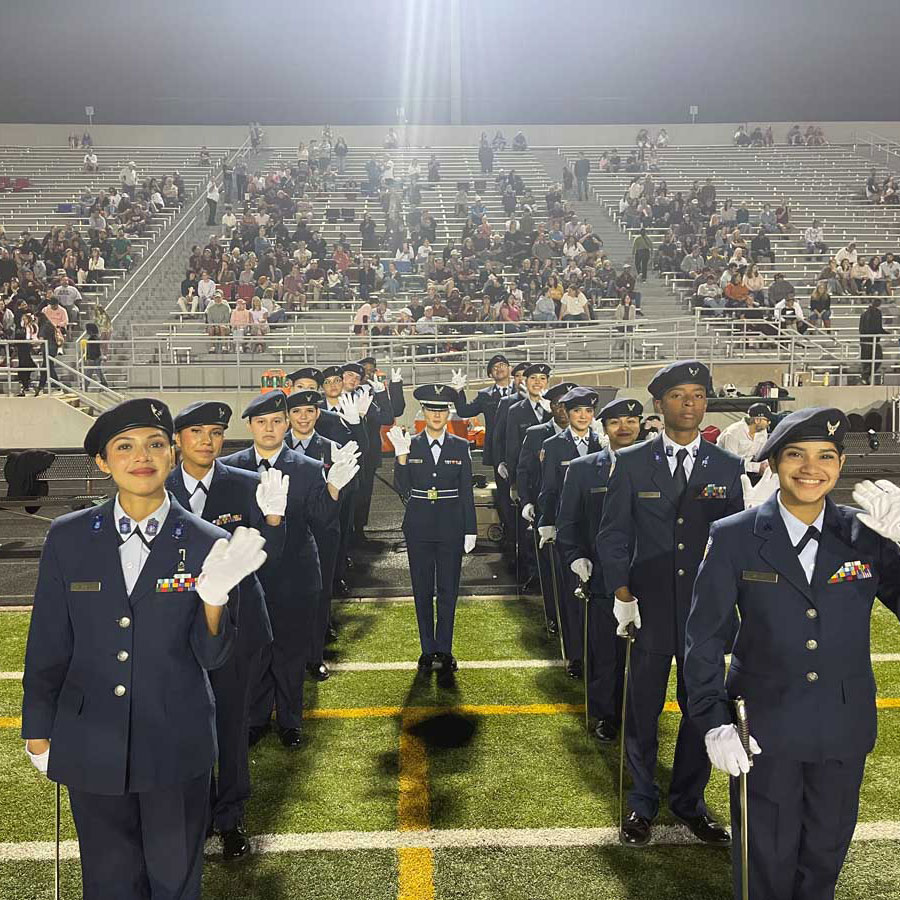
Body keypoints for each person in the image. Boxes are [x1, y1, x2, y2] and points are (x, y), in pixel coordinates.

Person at [22, 398, 267, 899]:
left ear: (172, 455)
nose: (143, 456)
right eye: (125, 446)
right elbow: (48, 643)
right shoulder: (67, 538)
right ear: (102, 461)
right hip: (90, 740)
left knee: (174, 883)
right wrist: (38, 730)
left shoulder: (208, 542)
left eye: (156, 444)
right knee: (109, 884)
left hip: (176, 744)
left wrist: (214, 601)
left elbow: (214, 657)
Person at [685, 408, 900, 900]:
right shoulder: (733, 535)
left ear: (841, 465)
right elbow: (704, 639)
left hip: (842, 727)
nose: (811, 468)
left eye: (826, 456)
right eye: (796, 455)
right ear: (774, 462)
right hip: (763, 729)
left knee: (824, 857)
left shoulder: (868, 534)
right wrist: (712, 718)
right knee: (766, 859)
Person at [598, 360, 744, 847]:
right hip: (650, 607)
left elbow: (735, 543)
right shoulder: (633, 461)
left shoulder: (725, 466)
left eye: (699, 395)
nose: (691, 404)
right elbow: (614, 535)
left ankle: (689, 802)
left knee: (701, 708)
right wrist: (622, 596)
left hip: (706, 613)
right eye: (680, 396)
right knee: (642, 710)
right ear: (660, 404)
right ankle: (641, 804)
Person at [167, 401, 285, 860]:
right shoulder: (159, 487)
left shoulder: (248, 484)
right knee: (183, 725)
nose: (207, 441)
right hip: (176, 628)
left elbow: (268, 555)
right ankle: (192, 816)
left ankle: (231, 817)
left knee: (232, 726)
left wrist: (273, 519)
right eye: (196, 432)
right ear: (178, 439)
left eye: (215, 433)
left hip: (237, 624)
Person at [220, 392, 356, 749]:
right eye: (261, 422)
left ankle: (290, 720)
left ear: (286, 424)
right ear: (249, 425)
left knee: (291, 650)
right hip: (249, 574)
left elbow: (323, 521)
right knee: (253, 650)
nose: (269, 428)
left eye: (276, 421)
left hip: (295, 572)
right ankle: (256, 717)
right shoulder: (230, 468)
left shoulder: (308, 467)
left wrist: (333, 489)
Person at [558, 396, 643, 742]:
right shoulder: (582, 469)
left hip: (646, 577)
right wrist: (575, 555)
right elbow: (568, 522)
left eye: (631, 421)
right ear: (604, 429)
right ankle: (606, 715)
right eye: (615, 422)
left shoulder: (656, 466)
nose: (624, 428)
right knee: (604, 653)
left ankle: (639, 714)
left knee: (646, 657)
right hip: (602, 577)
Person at [387, 385, 477, 680]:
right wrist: (400, 458)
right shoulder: (409, 444)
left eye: (442, 410)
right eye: (431, 409)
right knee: (422, 591)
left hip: (451, 526)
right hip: (419, 526)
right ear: (423, 413)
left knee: (448, 591)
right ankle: (427, 650)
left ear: (449, 412)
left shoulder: (460, 445)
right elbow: (402, 488)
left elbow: (465, 491)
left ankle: (445, 650)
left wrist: (470, 529)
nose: (437, 415)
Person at [285, 389, 359, 679]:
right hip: (288, 534)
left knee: (320, 596)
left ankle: (314, 656)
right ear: (288, 417)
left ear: (317, 414)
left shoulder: (332, 448)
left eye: (309, 411)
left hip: (323, 533)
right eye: (296, 412)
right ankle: (288, 654)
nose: (303, 417)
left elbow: (351, 489)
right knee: (286, 596)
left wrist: (336, 482)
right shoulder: (278, 448)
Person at [537, 387, 605, 676]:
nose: (582, 416)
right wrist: (546, 521)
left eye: (588, 411)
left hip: (597, 527)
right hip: (568, 528)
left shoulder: (602, 444)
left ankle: (597, 651)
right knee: (571, 593)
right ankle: (576, 656)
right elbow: (549, 489)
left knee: (598, 593)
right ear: (567, 413)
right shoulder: (553, 445)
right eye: (577, 411)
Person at [516, 381, 577, 636]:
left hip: (581, 513)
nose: (562, 410)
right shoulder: (536, 433)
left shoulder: (595, 435)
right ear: (550, 407)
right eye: (557, 405)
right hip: (548, 509)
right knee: (551, 571)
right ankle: (554, 616)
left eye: (567, 405)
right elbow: (524, 470)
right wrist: (527, 501)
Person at [451, 355, 516, 548]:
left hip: (522, 450)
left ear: (510, 369)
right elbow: (463, 411)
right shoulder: (485, 395)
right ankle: (511, 535)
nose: (499, 368)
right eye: (494, 367)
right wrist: (458, 391)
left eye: (503, 364)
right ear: (490, 374)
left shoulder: (522, 390)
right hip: (499, 451)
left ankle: (527, 532)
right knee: (504, 494)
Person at [716, 403, 771, 475]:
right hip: (724, 470)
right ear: (757, 420)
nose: (769, 423)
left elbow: (761, 456)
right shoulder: (733, 433)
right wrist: (757, 467)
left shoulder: (762, 432)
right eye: (767, 420)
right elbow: (732, 463)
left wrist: (766, 465)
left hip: (747, 469)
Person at [860, 296, 888, 384]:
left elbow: (862, 328)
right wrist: (886, 333)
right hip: (871, 340)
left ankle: (865, 377)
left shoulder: (864, 313)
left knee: (868, 361)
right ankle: (865, 377)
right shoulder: (877, 313)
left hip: (865, 340)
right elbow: (877, 328)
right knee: (877, 359)